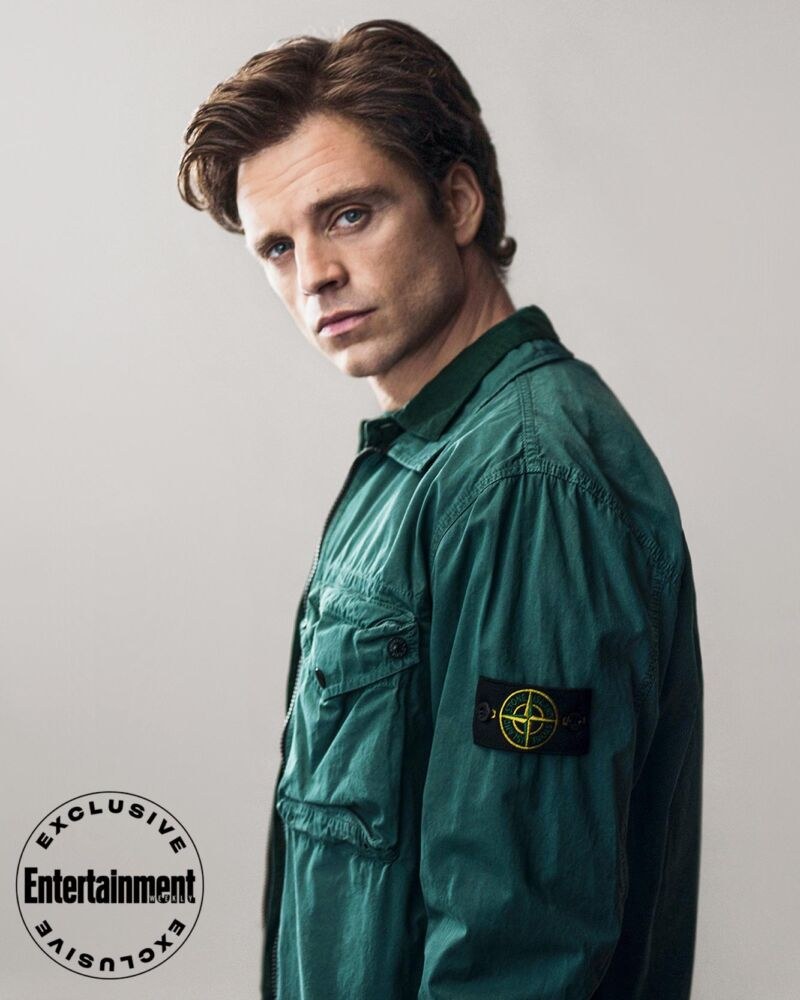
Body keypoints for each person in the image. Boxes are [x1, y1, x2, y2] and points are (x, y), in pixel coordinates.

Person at [177, 18, 703, 1000]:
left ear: (457, 202)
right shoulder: (426, 458)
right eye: (276, 246)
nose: (312, 276)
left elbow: (516, 943)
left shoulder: (526, 480)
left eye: (348, 215)